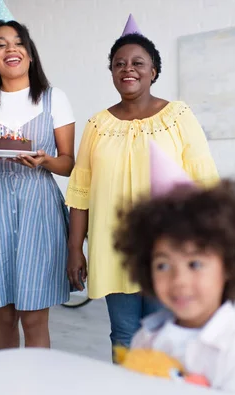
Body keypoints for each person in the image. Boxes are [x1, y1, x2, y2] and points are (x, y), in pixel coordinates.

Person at [65, 14, 219, 351]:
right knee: (123, 334)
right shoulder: (97, 125)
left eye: (137, 62)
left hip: (168, 248)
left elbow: (205, 184)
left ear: (153, 71)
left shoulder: (177, 116)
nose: (127, 69)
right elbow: (81, 192)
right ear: (112, 73)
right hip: (113, 247)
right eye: (119, 64)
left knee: (165, 335)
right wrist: (75, 248)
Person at [112, 141, 235, 395]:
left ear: (231, 265)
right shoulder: (145, 340)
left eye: (195, 264)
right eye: (163, 265)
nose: (179, 280)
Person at [0, 0, 75, 349]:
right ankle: (8, 383)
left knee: (35, 314)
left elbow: (68, 163)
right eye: (0, 44)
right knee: (4, 313)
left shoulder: (55, 99)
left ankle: (36, 385)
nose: (11, 48)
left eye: (18, 42)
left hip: (40, 209)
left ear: (30, 54)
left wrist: (44, 161)